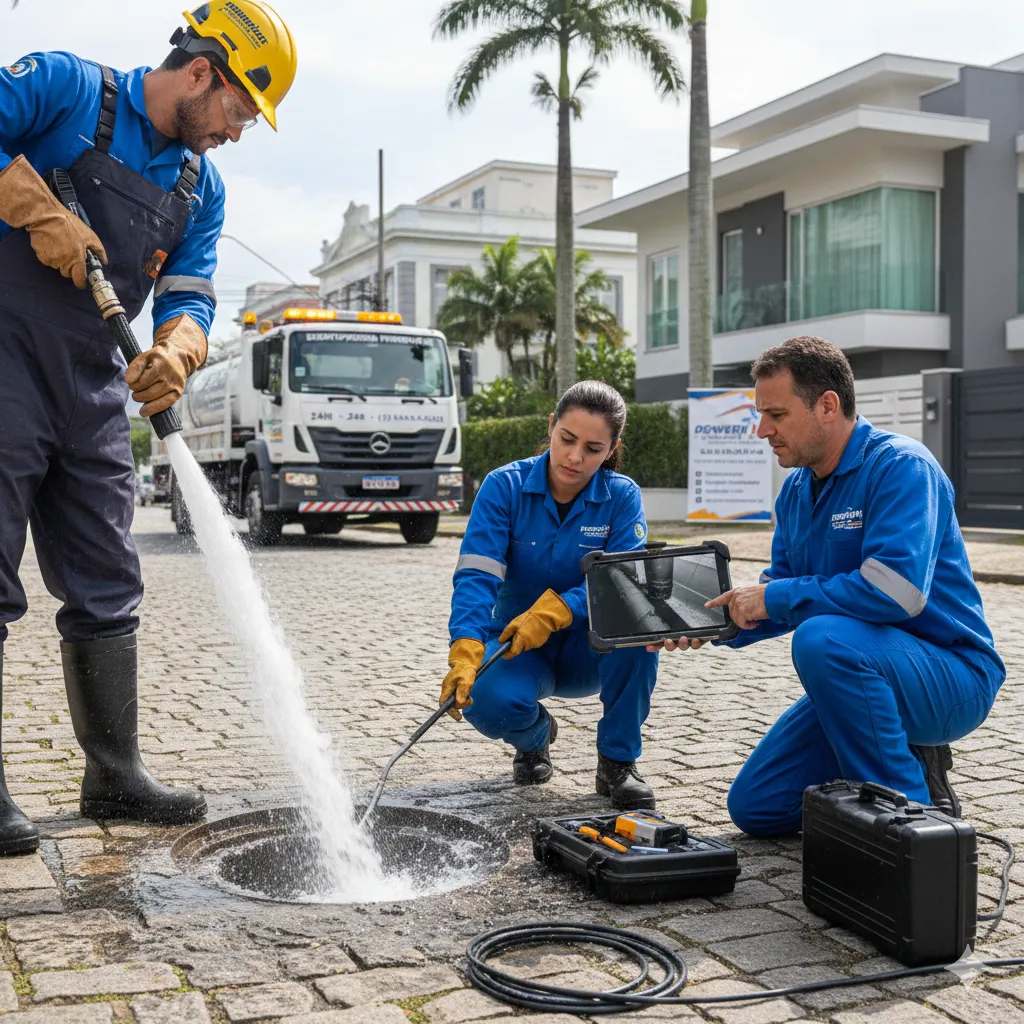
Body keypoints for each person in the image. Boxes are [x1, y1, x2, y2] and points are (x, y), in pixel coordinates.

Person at [0, 2, 297, 855]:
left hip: (92, 385)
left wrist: (179, 348)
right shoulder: (63, 86)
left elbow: (193, 290)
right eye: (240, 111)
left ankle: (114, 772)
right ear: (202, 72)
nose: (236, 132)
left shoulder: (201, 186)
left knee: (107, 577)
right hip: (5, 359)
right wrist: (30, 204)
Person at [659, 337, 1005, 835]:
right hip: (861, 673)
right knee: (756, 806)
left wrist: (774, 597)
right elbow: (779, 594)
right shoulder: (795, 492)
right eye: (761, 415)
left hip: (951, 675)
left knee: (820, 639)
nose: (762, 430)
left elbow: (896, 592)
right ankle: (893, 749)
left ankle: (913, 823)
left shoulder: (902, 467)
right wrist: (710, 620)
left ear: (827, 405)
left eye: (776, 414)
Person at [440, 381, 661, 809]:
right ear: (551, 426)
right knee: (485, 698)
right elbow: (477, 573)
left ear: (612, 449)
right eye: (567, 439)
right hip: (516, 644)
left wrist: (559, 610)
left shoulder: (621, 496)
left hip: (590, 650)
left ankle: (617, 762)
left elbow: (619, 581)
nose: (575, 457)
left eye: (593, 448)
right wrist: (465, 647)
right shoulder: (503, 486)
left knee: (638, 635)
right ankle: (536, 737)